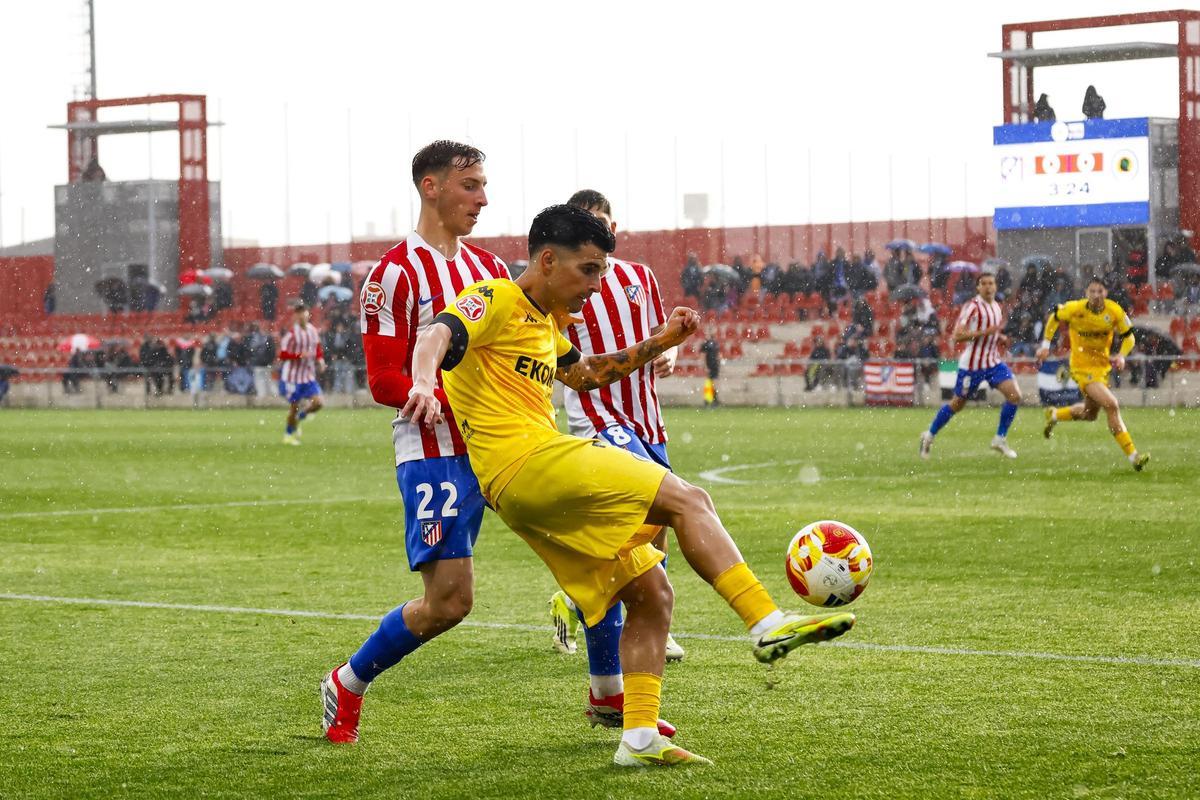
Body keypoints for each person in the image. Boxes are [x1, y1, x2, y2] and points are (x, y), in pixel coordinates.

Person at [403, 204, 855, 767]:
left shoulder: (547, 324)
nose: (597, 284)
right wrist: (423, 381)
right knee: (689, 500)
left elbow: (588, 374)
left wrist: (662, 340)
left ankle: (638, 738)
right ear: (547, 260)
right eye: (589, 270)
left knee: (650, 593)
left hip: (519, 489)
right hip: (531, 463)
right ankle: (767, 624)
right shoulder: (495, 298)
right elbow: (436, 335)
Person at [319, 141, 510, 746]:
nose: (483, 198)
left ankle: (615, 697)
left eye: (483, 185)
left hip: (502, 448)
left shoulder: (493, 272)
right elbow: (382, 379)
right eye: (471, 185)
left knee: (598, 533)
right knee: (450, 602)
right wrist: (441, 397)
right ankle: (348, 680)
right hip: (434, 454)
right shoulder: (393, 274)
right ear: (431, 187)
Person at [547, 190, 685, 735]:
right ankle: (611, 682)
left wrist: (669, 351)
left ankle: (595, 615)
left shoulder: (639, 277)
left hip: (648, 420)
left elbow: (659, 338)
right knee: (635, 530)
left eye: (602, 225)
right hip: (598, 421)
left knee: (657, 532)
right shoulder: (566, 286)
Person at [1038, 278, 1149, 470]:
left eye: (1100, 291)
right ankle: (1134, 457)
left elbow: (1129, 336)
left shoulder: (1114, 311)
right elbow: (1054, 317)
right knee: (1112, 405)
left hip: (1101, 368)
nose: (1096, 295)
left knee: (1090, 414)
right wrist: (1046, 345)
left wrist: (1122, 356)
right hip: (1081, 368)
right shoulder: (1075, 308)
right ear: (1086, 292)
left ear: (1105, 293)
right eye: (1092, 291)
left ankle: (1055, 414)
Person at [920, 271, 1022, 460]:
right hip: (972, 366)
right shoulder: (972, 307)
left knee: (1015, 396)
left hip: (992, 362)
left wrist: (1000, 337)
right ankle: (929, 435)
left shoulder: (997, 307)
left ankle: (1000, 438)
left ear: (996, 286)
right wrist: (985, 332)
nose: (989, 287)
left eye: (991, 283)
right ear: (978, 287)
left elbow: (992, 332)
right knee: (957, 404)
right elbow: (957, 335)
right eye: (984, 284)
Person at [278, 300, 325, 444]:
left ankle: (301, 417)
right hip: (293, 377)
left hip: (308, 375)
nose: (301, 315)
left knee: (318, 403)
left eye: (303, 312)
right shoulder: (292, 334)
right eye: (298, 312)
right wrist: (298, 356)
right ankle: (288, 434)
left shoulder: (312, 330)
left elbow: (317, 348)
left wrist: (320, 360)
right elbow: (282, 355)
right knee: (294, 407)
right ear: (295, 316)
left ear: (308, 314)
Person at [700, 330, 721, 407]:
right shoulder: (705, 344)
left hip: (714, 366)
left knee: (714, 383)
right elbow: (703, 356)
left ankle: (713, 400)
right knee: (709, 383)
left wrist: (719, 363)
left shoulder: (715, 344)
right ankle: (708, 400)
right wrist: (705, 366)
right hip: (709, 366)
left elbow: (718, 355)